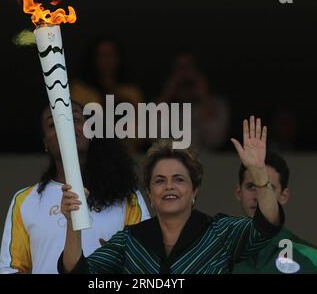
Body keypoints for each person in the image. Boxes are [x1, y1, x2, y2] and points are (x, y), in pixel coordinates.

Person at [58, 116, 285, 274]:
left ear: (194, 189)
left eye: (179, 179)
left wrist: (257, 172)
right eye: (159, 180)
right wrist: (72, 222)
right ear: (149, 192)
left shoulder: (219, 232)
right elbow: (76, 271)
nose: (169, 187)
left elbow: (267, 224)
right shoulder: (130, 241)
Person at [0, 101, 150, 274]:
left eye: (75, 119)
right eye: (53, 124)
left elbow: (145, 264)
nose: (65, 125)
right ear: (45, 142)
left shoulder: (126, 197)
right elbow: (11, 269)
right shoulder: (25, 200)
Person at [232, 151, 317, 274]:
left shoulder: (313, 258)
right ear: (238, 192)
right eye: (251, 187)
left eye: (268, 188)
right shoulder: (214, 252)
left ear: (283, 196)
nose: (259, 196)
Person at [157, 50, 230, 151]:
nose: (184, 75)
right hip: (171, 159)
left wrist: (205, 98)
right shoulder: (161, 105)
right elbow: (153, 138)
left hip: (206, 161)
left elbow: (215, 140)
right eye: (180, 68)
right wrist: (167, 94)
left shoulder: (217, 105)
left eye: (188, 68)